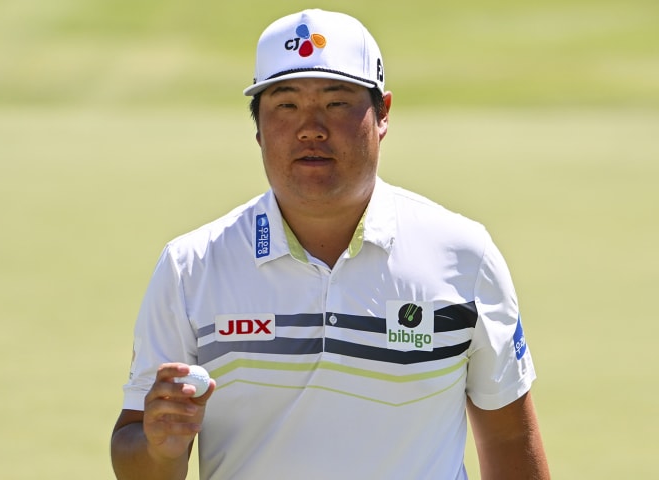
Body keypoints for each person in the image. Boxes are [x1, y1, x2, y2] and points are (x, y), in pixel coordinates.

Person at [111, 8, 550, 480]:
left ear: (382, 114)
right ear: (257, 126)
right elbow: (137, 453)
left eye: (337, 103)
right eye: (286, 104)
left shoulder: (464, 255)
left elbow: (507, 437)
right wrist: (160, 449)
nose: (311, 127)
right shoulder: (191, 266)